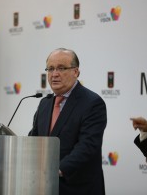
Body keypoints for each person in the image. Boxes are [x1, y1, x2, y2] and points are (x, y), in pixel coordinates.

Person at [29, 48, 107, 195]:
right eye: (50, 69)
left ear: (76, 72)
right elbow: (34, 139)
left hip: (78, 188)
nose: (54, 74)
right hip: (44, 187)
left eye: (61, 68)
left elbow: (87, 146)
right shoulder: (45, 104)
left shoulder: (92, 103)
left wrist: (57, 170)